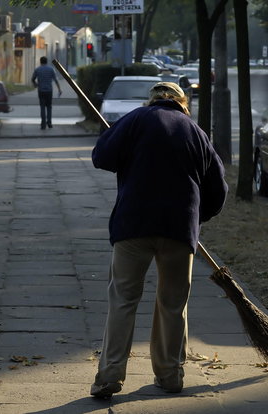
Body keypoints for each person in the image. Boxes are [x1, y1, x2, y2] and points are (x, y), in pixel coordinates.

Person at [89, 82, 228, 399]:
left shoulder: (137, 119)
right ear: (183, 104)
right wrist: (197, 216)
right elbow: (218, 190)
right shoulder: (196, 133)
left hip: (133, 226)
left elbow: (101, 156)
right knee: (173, 303)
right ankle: (170, 376)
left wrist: (126, 153)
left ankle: (110, 376)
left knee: (123, 299)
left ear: (152, 101)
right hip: (179, 229)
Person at [30, 56, 62, 130]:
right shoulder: (51, 69)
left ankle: (43, 124)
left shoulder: (37, 69)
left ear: (40, 62)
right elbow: (56, 80)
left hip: (41, 91)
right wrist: (59, 89)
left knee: (42, 107)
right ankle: (49, 123)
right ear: (47, 61)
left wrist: (36, 85)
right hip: (49, 91)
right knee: (49, 107)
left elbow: (32, 79)